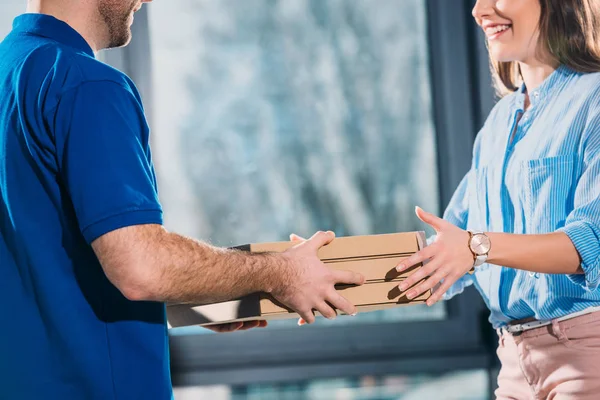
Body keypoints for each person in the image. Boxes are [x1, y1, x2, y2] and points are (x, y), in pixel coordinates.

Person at [0, 1, 366, 399]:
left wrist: (196, 292)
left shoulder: (10, 71)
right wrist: (282, 273)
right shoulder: (87, 84)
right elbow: (139, 266)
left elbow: (40, 261)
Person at [396, 0, 600, 398]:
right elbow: (449, 249)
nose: (479, 10)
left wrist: (477, 248)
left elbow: (589, 244)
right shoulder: (497, 125)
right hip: (512, 366)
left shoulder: (595, 100)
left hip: (585, 357)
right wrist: (331, 268)